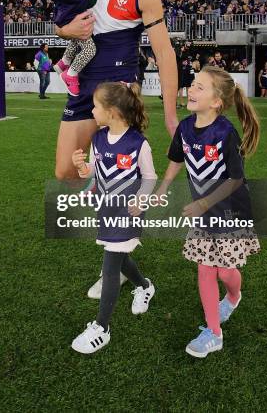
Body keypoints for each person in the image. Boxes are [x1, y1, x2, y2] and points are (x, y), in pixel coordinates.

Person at [55, 0, 178, 299]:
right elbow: (64, 20)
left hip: (120, 81)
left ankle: (116, 262)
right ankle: (121, 254)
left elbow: (163, 51)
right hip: (83, 74)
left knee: (118, 187)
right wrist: (63, 32)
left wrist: (171, 113)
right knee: (66, 171)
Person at [157, 66, 260, 357]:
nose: (191, 89)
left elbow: (235, 179)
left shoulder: (226, 133)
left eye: (200, 87)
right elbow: (177, 158)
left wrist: (203, 203)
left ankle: (233, 294)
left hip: (230, 213)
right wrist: (163, 187)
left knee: (225, 271)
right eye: (192, 84)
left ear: (216, 101)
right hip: (203, 216)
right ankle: (214, 333)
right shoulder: (185, 128)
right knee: (205, 268)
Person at [71, 82, 156, 354]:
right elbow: (94, 174)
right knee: (120, 257)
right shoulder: (98, 138)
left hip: (127, 214)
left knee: (110, 266)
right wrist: (82, 168)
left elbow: (150, 176)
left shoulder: (138, 144)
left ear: (112, 111)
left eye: (96, 106)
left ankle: (101, 327)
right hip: (106, 210)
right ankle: (144, 286)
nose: (92, 110)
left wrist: (141, 199)